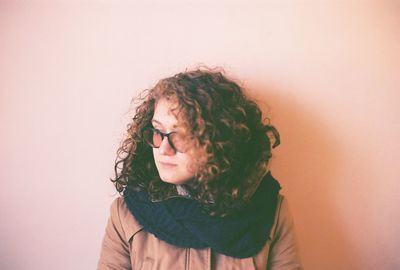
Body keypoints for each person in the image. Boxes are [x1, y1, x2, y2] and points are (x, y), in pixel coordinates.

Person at [97, 68, 303, 270]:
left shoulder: (269, 211)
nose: (163, 149)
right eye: (158, 131)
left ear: (219, 141)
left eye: (183, 135)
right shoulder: (125, 214)